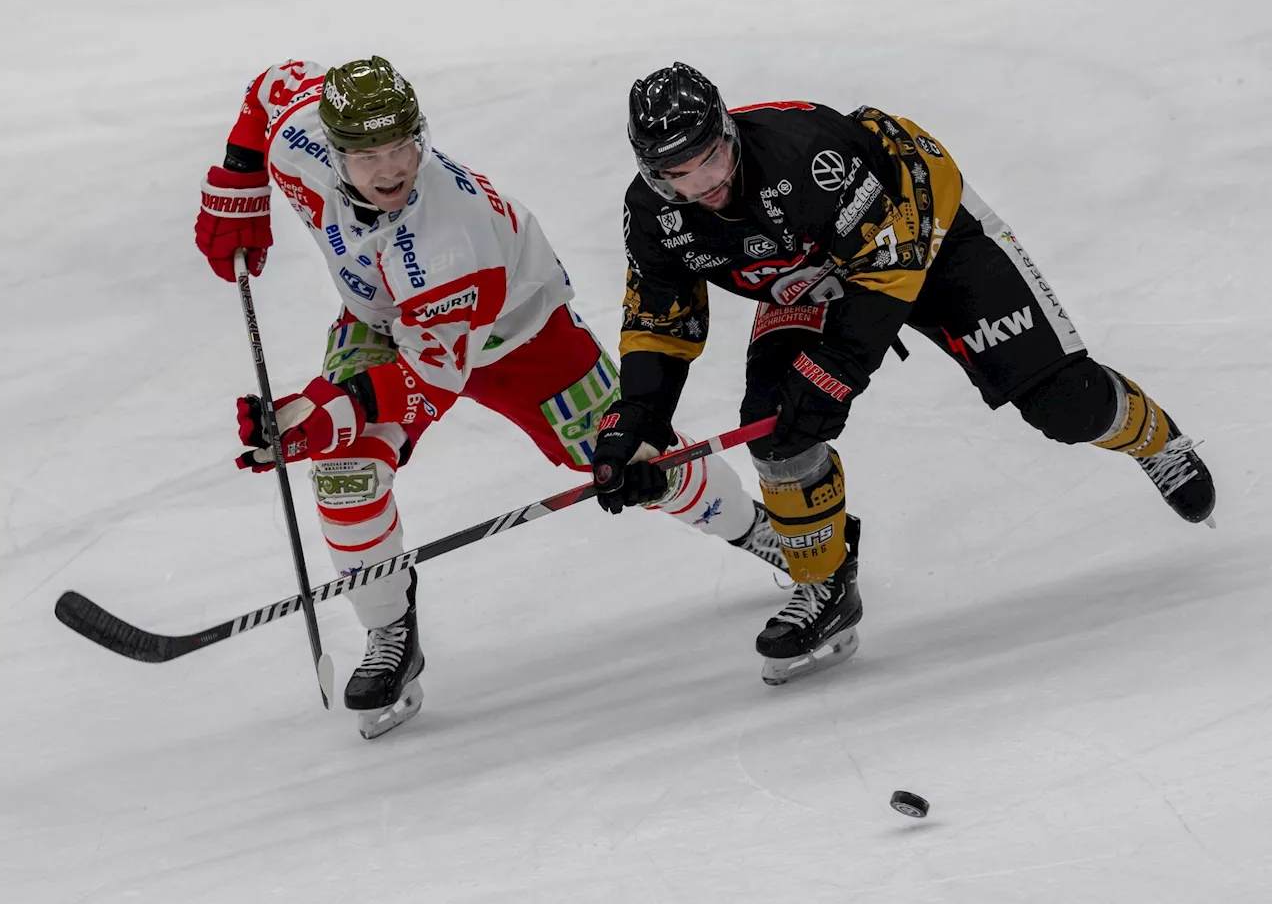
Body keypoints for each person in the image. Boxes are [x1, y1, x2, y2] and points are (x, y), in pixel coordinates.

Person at [194, 57, 786, 737]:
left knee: (630, 453)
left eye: (403, 147)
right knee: (345, 468)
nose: (391, 170)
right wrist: (239, 180)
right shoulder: (298, 136)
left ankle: (758, 528)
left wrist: (319, 414)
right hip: (384, 317)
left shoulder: (448, 237)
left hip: (519, 334)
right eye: (369, 156)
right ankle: (391, 630)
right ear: (331, 152)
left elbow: (426, 383)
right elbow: (274, 85)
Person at [592, 62, 1216, 686]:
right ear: (651, 172)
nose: (703, 186)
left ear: (728, 133)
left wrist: (834, 373)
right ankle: (825, 584)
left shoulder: (806, 156)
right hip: (813, 274)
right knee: (774, 423)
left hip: (926, 233)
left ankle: (1154, 437)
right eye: (677, 175)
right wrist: (638, 423)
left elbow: (889, 270)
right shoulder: (653, 214)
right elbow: (659, 324)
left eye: (710, 161)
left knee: (1063, 405)